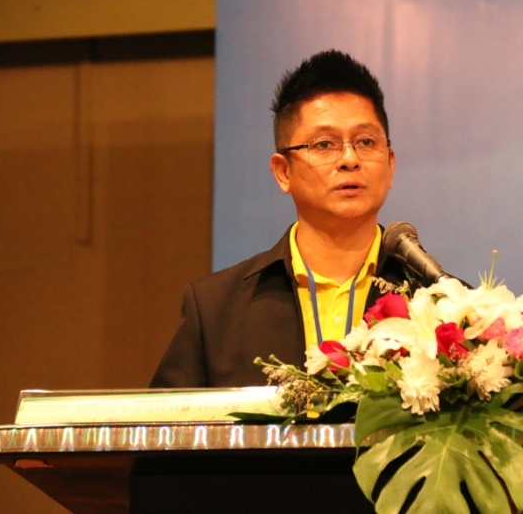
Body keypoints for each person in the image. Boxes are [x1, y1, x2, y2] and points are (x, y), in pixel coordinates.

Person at [151, 50, 409, 388]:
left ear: (390, 164)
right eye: (324, 144)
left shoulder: (440, 304)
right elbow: (170, 420)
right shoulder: (215, 309)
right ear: (283, 172)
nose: (349, 159)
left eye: (366, 141)